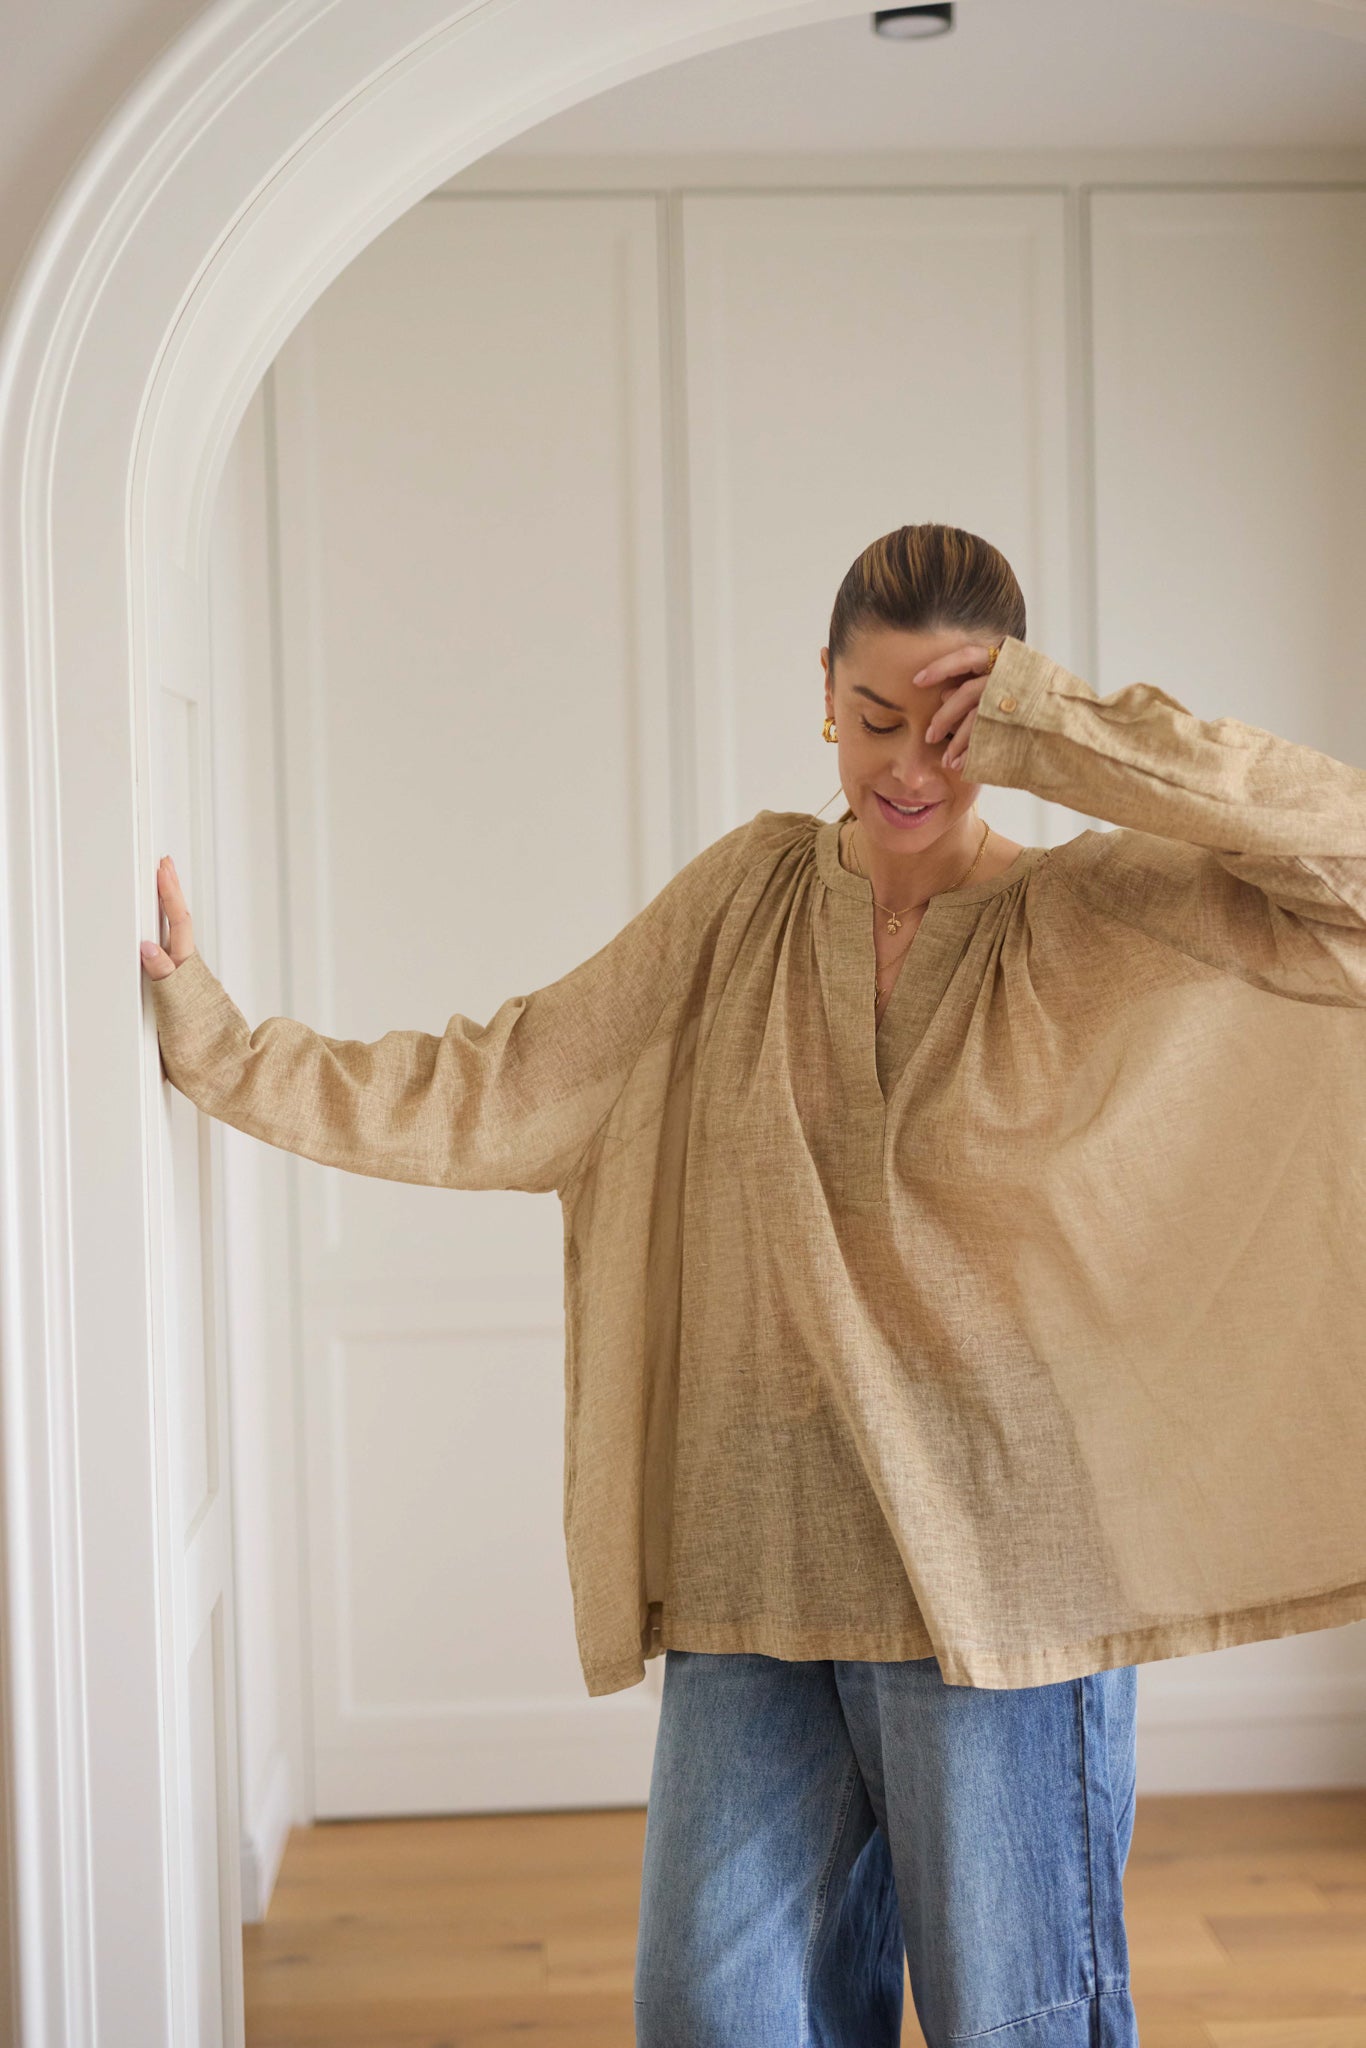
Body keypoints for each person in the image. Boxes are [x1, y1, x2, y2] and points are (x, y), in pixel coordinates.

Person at [140, 523, 1366, 2047]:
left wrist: (1060, 726)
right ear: (821, 693)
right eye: (872, 718)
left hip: (997, 1572)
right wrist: (221, 1048)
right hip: (758, 1551)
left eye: (951, 729)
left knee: (1016, 2021)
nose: (906, 767)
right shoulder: (745, 900)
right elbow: (506, 1080)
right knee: (710, 2011)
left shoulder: (1087, 914)